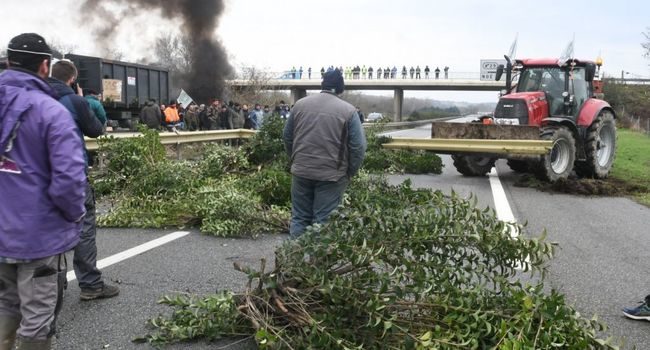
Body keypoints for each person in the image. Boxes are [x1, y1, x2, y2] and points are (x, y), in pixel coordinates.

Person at [0, 32, 87, 349]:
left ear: (9, 62)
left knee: (5, 303)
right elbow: (68, 180)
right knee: (38, 314)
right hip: (38, 236)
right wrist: (75, 214)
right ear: (44, 67)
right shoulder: (51, 113)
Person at [49, 60, 121, 303]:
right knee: (84, 227)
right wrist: (83, 100)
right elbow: (96, 130)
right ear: (72, 79)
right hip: (71, 175)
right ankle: (90, 284)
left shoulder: (35, 97)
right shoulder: (74, 101)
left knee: (51, 228)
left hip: (39, 176)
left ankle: (52, 286)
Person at [282, 69, 366, 238]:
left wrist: (295, 159)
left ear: (323, 85)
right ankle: (316, 263)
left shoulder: (300, 105)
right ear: (341, 88)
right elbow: (358, 147)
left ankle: (292, 261)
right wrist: (350, 171)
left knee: (299, 218)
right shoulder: (349, 111)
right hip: (332, 175)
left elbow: (287, 136)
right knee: (323, 221)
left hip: (301, 171)